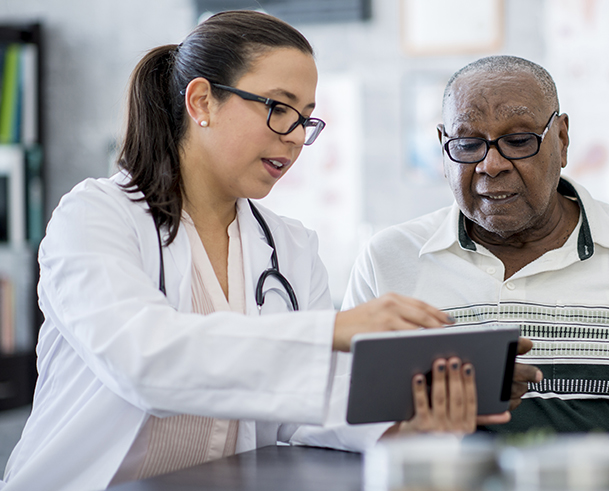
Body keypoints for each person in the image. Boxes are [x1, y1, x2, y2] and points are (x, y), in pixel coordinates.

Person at [1, 12, 507, 491]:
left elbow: (305, 406)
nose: (292, 139)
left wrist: (410, 416)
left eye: (305, 118)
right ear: (201, 102)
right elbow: (144, 361)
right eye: (277, 108)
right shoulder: (96, 216)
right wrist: (331, 330)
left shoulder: (289, 246)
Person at [331, 55, 609, 444]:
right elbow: (341, 425)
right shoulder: (388, 261)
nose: (491, 165)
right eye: (468, 144)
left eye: (519, 140)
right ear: (442, 147)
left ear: (561, 140)